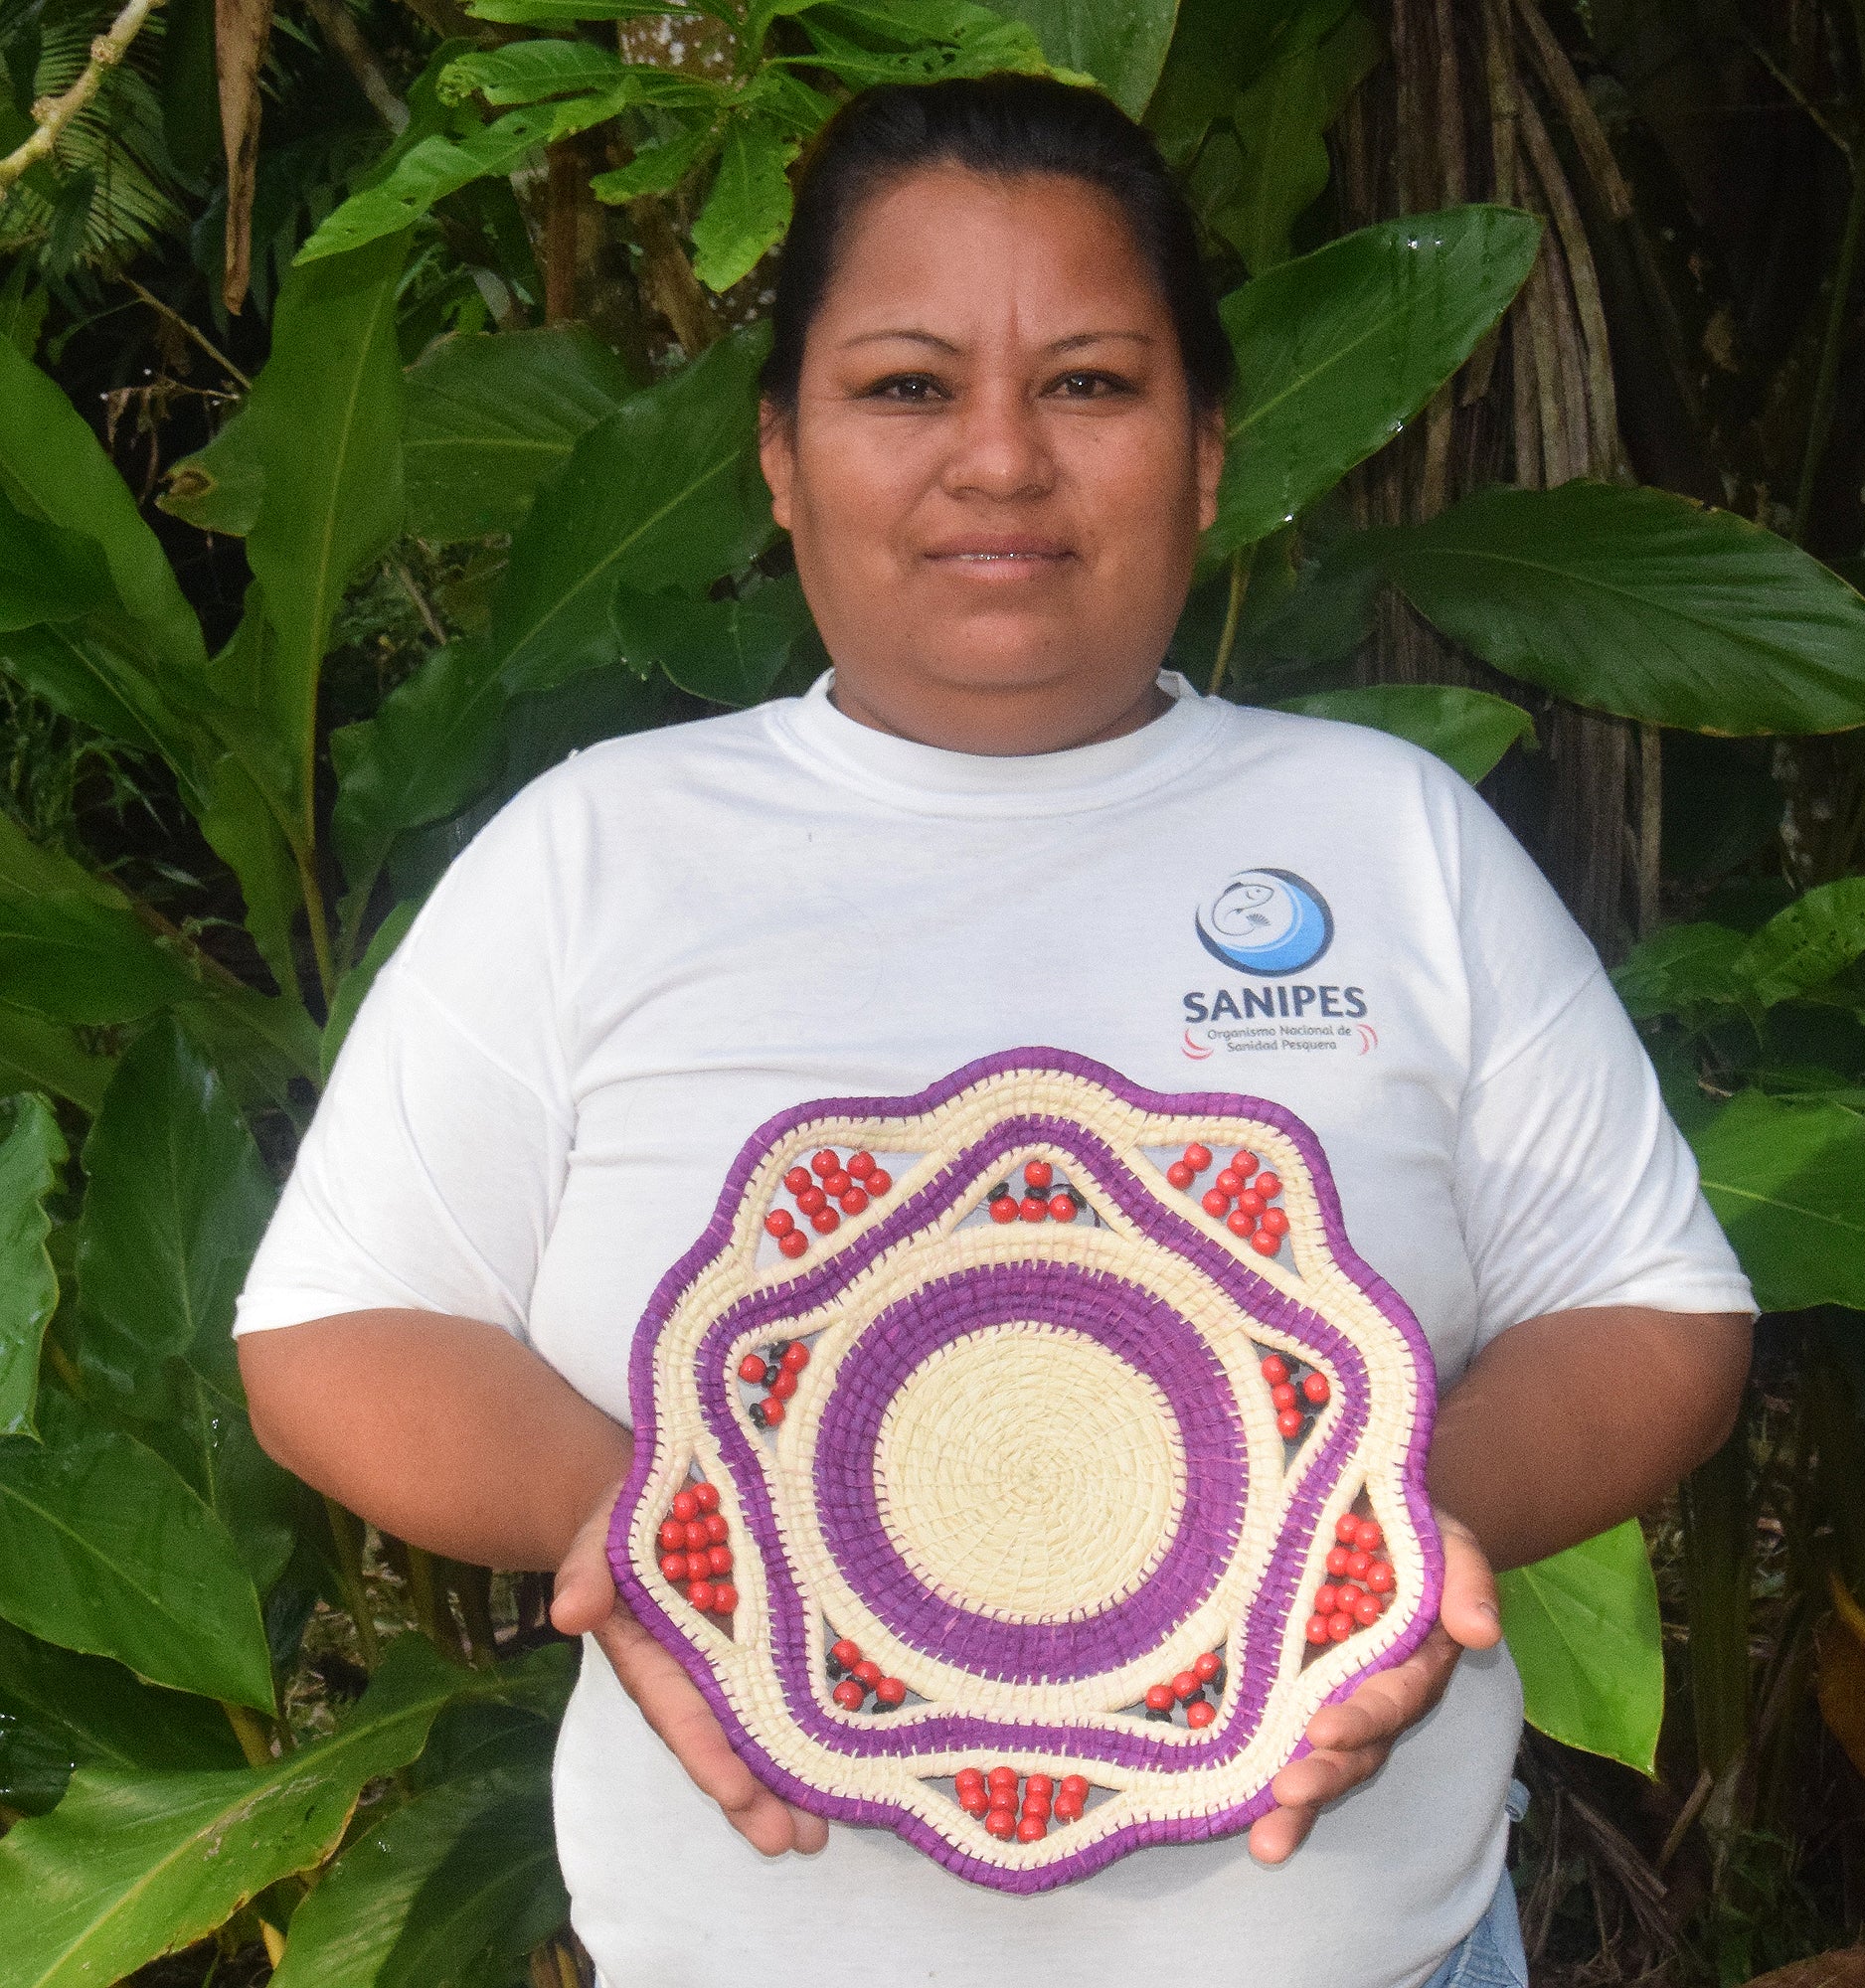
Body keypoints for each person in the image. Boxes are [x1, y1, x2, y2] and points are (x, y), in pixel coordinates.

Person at [236, 74, 1755, 1988]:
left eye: (1094, 384)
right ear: (778, 452)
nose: (1001, 463)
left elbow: (1649, 1301)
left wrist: (1369, 1545)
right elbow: (336, 1330)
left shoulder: (1386, 838)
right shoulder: (601, 852)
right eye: (905, 386)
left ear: (1208, 450)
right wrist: (648, 1532)